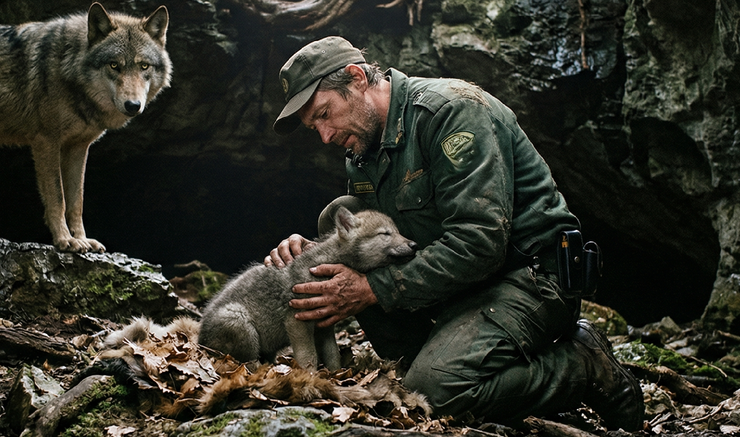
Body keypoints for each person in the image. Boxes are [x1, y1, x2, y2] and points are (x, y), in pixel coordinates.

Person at [265, 36, 643, 430]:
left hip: (530, 277)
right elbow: (371, 235)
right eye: (315, 127)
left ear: (357, 78)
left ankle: (581, 363)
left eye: (325, 113)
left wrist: (373, 288)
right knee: (336, 218)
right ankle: (435, 364)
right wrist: (313, 253)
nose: (325, 136)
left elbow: (480, 241)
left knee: (432, 393)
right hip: (460, 286)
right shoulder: (363, 151)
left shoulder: (450, 111)